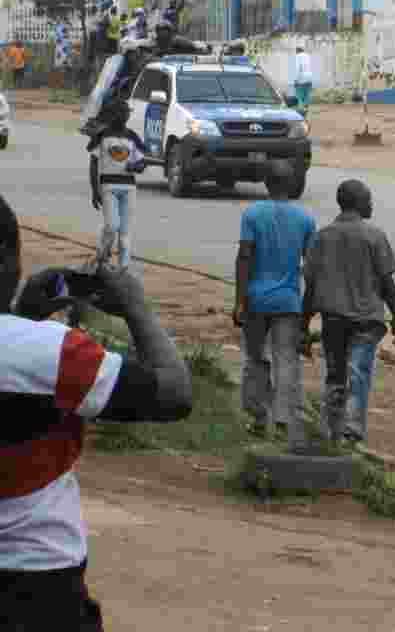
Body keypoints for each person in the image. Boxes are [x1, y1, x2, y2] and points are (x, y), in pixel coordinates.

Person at [0, 193, 191, 631]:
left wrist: (23, 315)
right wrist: (135, 306)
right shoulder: (52, 353)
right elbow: (173, 394)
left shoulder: (35, 349)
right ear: (8, 260)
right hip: (39, 583)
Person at [302, 180, 395, 445]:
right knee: (358, 374)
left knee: (335, 375)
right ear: (358, 203)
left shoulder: (322, 237)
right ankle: (351, 431)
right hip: (366, 321)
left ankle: (331, 430)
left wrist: (303, 324)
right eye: (368, 199)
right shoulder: (374, 235)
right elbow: (387, 282)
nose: (371, 204)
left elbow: (311, 286)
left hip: (333, 319)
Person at [233, 161, 317, 449]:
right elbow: (311, 269)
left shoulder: (253, 214)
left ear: (266, 184)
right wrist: (307, 309)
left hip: (256, 300)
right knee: (287, 361)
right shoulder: (305, 220)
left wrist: (239, 301)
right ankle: (282, 421)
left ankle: (258, 417)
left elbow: (244, 257)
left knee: (256, 358)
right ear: (291, 184)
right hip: (289, 302)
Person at [88, 101, 145, 270]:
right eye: (123, 113)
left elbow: (142, 162)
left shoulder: (132, 136)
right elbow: (93, 164)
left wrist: (136, 166)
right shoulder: (102, 136)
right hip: (108, 186)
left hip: (129, 188)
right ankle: (102, 254)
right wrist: (94, 190)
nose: (126, 116)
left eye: (127, 113)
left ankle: (123, 267)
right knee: (112, 226)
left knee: (125, 232)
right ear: (114, 115)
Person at [293, 46, 314, 114]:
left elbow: (298, 68)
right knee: (307, 95)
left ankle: (301, 111)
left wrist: (296, 80)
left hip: (301, 79)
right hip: (309, 78)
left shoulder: (298, 57)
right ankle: (306, 108)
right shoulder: (308, 56)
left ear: (297, 51)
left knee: (299, 95)